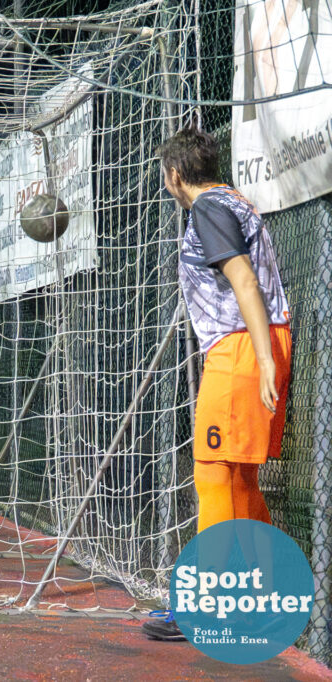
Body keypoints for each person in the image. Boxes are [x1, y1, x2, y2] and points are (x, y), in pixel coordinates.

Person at [142, 126, 292, 641]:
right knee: (238, 479)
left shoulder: (207, 209)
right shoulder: (234, 201)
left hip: (241, 349)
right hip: (254, 343)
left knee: (211, 474)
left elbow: (244, 279)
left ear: (174, 174)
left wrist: (263, 359)